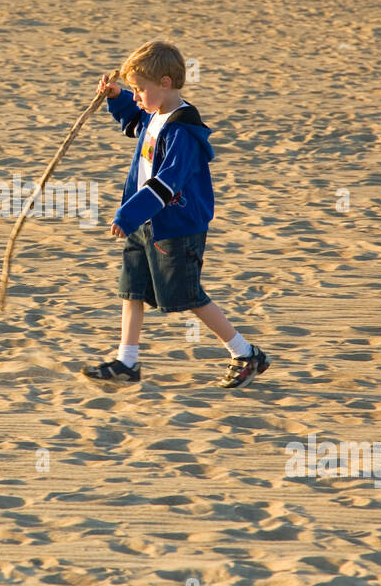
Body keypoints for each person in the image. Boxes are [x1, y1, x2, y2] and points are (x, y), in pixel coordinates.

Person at [82, 40, 269, 389]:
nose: (137, 96)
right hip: (146, 222)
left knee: (188, 295)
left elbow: (166, 183)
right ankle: (127, 361)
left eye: (140, 89)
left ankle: (245, 353)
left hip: (175, 226)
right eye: (134, 90)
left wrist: (127, 214)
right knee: (132, 289)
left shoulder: (182, 130)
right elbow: (137, 123)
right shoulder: (156, 115)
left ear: (165, 84)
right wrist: (117, 96)